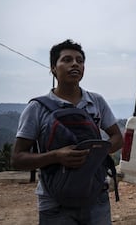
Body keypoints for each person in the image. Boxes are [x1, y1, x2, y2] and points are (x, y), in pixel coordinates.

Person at [11, 39, 123, 225]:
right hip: (55, 203)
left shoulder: (97, 102)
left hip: (96, 197)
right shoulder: (37, 108)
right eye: (67, 60)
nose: (75, 64)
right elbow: (17, 159)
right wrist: (56, 156)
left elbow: (118, 137)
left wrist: (96, 153)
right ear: (53, 68)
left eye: (80, 60)